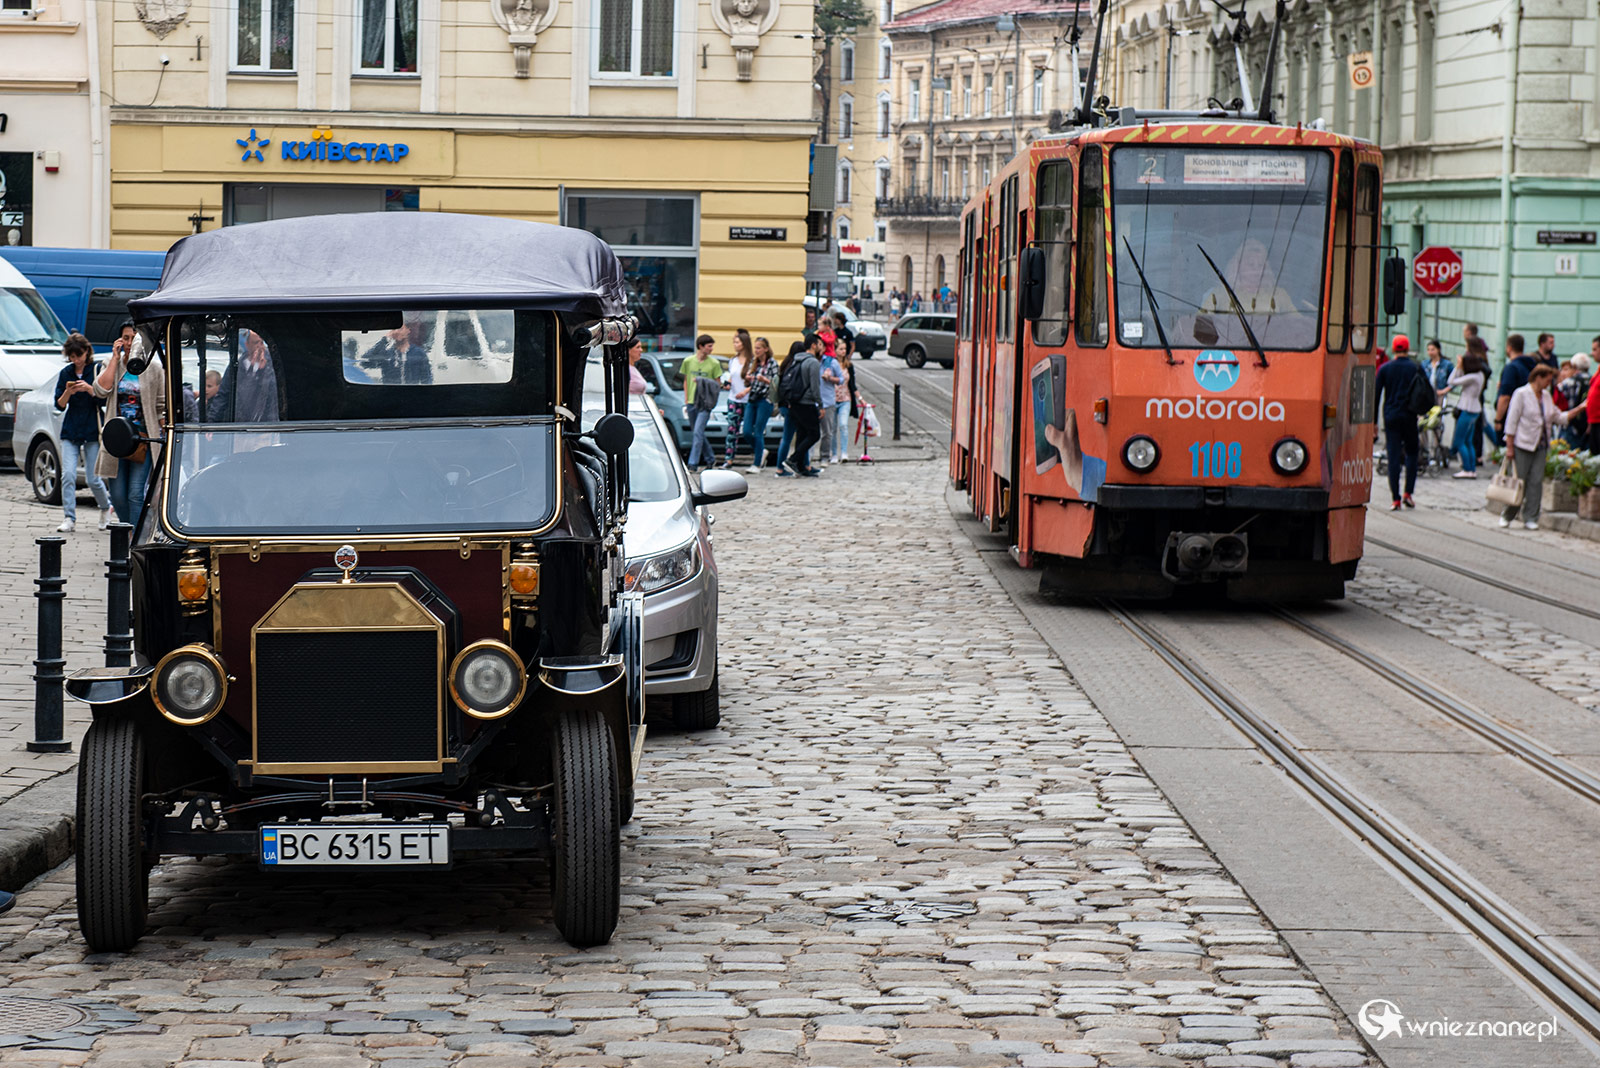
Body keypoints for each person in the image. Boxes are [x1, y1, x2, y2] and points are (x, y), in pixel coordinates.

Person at [93, 323, 165, 526]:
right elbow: (100, 390)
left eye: (134, 337)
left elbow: (161, 405)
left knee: (135, 493)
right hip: (117, 438)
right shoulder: (111, 363)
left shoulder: (153, 367)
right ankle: (126, 530)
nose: (129, 342)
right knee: (117, 495)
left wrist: (164, 434)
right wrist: (116, 360)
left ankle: (134, 538)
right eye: (125, 337)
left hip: (143, 439)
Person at [1500, 363, 1579, 530]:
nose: (1549, 384)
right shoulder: (1521, 394)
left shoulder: (1546, 396)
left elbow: (1558, 417)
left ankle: (1531, 517)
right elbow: (1511, 421)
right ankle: (1508, 514)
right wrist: (1509, 447)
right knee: (1519, 481)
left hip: (1541, 445)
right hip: (1523, 443)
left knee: (1536, 482)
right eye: (1547, 380)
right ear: (1538, 378)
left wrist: (1580, 409)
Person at [52, 333, 111, 533]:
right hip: (71, 429)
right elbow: (58, 405)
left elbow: (104, 400)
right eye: (72, 356)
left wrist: (89, 389)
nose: (76, 360)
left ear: (87, 352)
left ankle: (105, 507)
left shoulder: (95, 370)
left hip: (92, 429)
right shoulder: (66, 373)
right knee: (67, 475)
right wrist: (68, 392)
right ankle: (69, 517)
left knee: (93, 479)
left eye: (79, 355)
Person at [1374, 337, 1424, 510]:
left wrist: (1373, 422)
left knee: (1393, 457)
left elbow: (1376, 395)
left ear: (1393, 349)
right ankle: (1408, 493)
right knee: (1411, 453)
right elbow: (1425, 390)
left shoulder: (1385, 368)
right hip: (1410, 416)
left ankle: (1395, 498)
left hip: (1391, 416)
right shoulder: (1416, 367)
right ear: (1408, 348)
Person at [214, 328, 281, 423]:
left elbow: (274, 395)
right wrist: (213, 421)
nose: (259, 347)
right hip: (241, 424)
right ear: (247, 345)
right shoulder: (237, 366)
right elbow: (223, 394)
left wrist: (263, 370)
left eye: (261, 343)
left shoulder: (272, 366)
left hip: (266, 426)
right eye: (255, 343)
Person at [1442, 347, 1489, 478]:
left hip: (1467, 409)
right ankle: (1471, 469)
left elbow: (1451, 382)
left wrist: (1457, 367)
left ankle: (1467, 469)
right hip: (1475, 409)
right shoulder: (1479, 375)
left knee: (1459, 441)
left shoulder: (1472, 377)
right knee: (1468, 441)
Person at [784, 333, 825, 477]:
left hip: (795, 402)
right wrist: (820, 405)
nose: (821, 347)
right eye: (819, 344)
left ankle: (800, 467)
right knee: (814, 434)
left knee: (802, 434)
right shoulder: (812, 362)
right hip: (806, 402)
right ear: (813, 345)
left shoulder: (797, 359)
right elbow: (815, 387)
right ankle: (793, 459)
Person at [680, 333, 722, 470]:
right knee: (698, 432)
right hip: (691, 401)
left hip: (705, 403)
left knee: (698, 432)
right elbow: (686, 381)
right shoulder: (688, 361)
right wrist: (686, 399)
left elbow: (717, 384)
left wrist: (702, 382)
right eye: (709, 346)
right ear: (701, 346)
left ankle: (693, 463)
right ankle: (710, 458)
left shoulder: (714, 364)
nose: (711, 349)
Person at [740, 337, 777, 471]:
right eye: (755, 348)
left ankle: (757, 464)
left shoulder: (772, 363)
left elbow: (776, 383)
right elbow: (747, 382)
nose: (756, 351)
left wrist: (765, 380)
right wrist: (748, 379)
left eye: (758, 348)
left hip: (765, 400)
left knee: (758, 432)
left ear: (766, 349)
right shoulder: (754, 363)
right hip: (753, 398)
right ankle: (761, 451)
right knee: (746, 431)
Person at [360, 316, 432, 385]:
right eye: (394, 329)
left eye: (400, 329)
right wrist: (384, 340)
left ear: (408, 330)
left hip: (412, 394)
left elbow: (427, 379)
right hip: (391, 394)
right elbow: (365, 362)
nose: (397, 332)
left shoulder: (418, 353)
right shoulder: (387, 354)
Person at [720, 329, 754, 468]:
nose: (734, 344)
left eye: (737, 342)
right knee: (732, 430)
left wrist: (746, 391)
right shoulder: (733, 360)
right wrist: (728, 384)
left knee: (749, 431)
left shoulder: (752, 361)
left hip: (748, 400)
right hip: (733, 399)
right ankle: (729, 459)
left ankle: (759, 453)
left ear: (744, 344)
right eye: (734, 342)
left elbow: (756, 383)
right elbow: (731, 377)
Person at [773, 340, 805, 477]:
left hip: (784, 404)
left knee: (787, 438)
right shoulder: (797, 366)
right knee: (804, 437)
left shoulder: (785, 364)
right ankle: (802, 466)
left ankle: (780, 467)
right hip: (794, 405)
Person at [817, 339, 844, 465]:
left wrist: (830, 378)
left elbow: (841, 379)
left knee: (827, 432)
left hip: (827, 401)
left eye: (820, 345)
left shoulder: (831, 362)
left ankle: (824, 456)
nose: (818, 347)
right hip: (811, 401)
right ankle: (808, 457)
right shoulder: (809, 361)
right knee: (810, 432)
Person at [830, 345, 856, 463]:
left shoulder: (848, 366)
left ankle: (844, 452)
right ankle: (834, 454)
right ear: (835, 350)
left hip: (845, 398)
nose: (844, 351)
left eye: (845, 349)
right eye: (841, 349)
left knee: (843, 425)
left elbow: (852, 385)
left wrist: (860, 398)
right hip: (832, 399)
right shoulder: (830, 364)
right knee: (832, 428)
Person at [1559, 353, 1592, 446]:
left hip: (1570, 425)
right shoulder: (1594, 381)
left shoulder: (1567, 384)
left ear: (1574, 366)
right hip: (1589, 426)